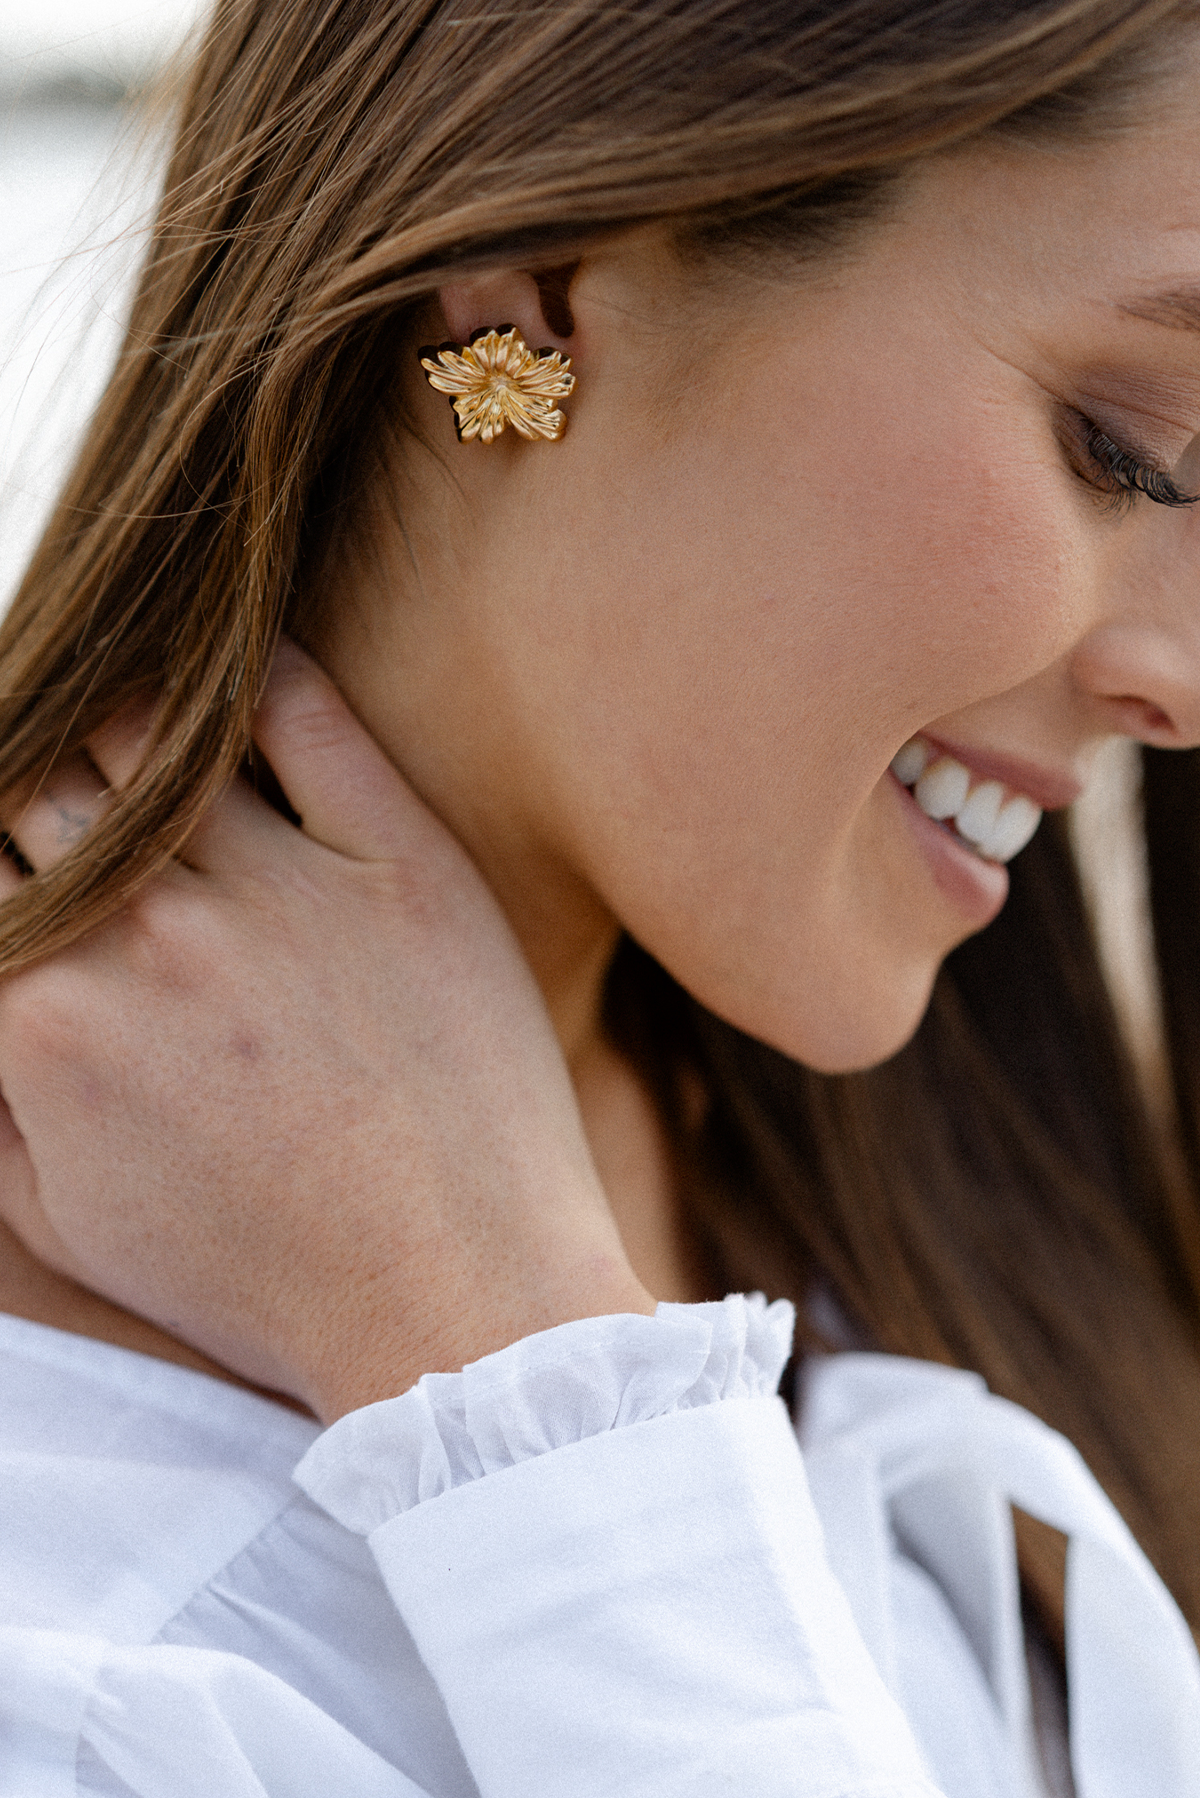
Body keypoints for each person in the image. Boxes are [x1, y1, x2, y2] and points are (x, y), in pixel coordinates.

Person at [2, 0, 1200, 1790]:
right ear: (531, 289)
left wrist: (504, 1335)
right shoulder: (83, 1611)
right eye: (1128, 448)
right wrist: (536, 1418)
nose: (1181, 686)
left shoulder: (918, 1180)